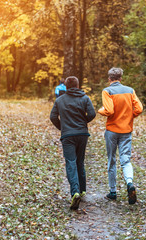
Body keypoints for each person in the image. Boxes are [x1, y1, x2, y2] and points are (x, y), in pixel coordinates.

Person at [50, 76, 96, 210]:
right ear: (77, 85)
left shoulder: (60, 100)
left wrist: (62, 127)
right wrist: (82, 123)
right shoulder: (85, 98)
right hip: (82, 134)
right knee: (80, 161)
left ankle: (74, 192)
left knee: (71, 162)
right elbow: (92, 114)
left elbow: (53, 117)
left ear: (66, 86)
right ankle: (82, 191)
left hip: (68, 135)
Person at [98, 67, 143, 204]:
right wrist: (130, 116)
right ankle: (129, 183)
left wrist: (101, 111)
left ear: (109, 79)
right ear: (121, 78)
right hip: (126, 130)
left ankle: (113, 192)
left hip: (112, 130)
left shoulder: (107, 91)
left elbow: (109, 110)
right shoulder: (130, 91)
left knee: (112, 159)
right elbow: (139, 109)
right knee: (126, 159)